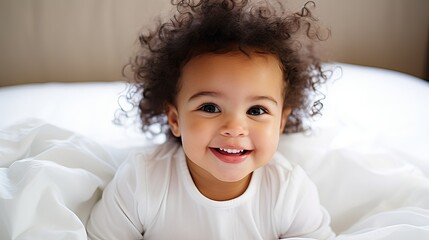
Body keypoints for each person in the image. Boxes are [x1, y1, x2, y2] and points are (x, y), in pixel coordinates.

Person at [87, 0, 335, 239]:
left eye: (257, 111)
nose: (235, 128)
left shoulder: (289, 192)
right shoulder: (141, 182)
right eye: (210, 107)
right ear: (175, 119)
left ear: (280, 123)